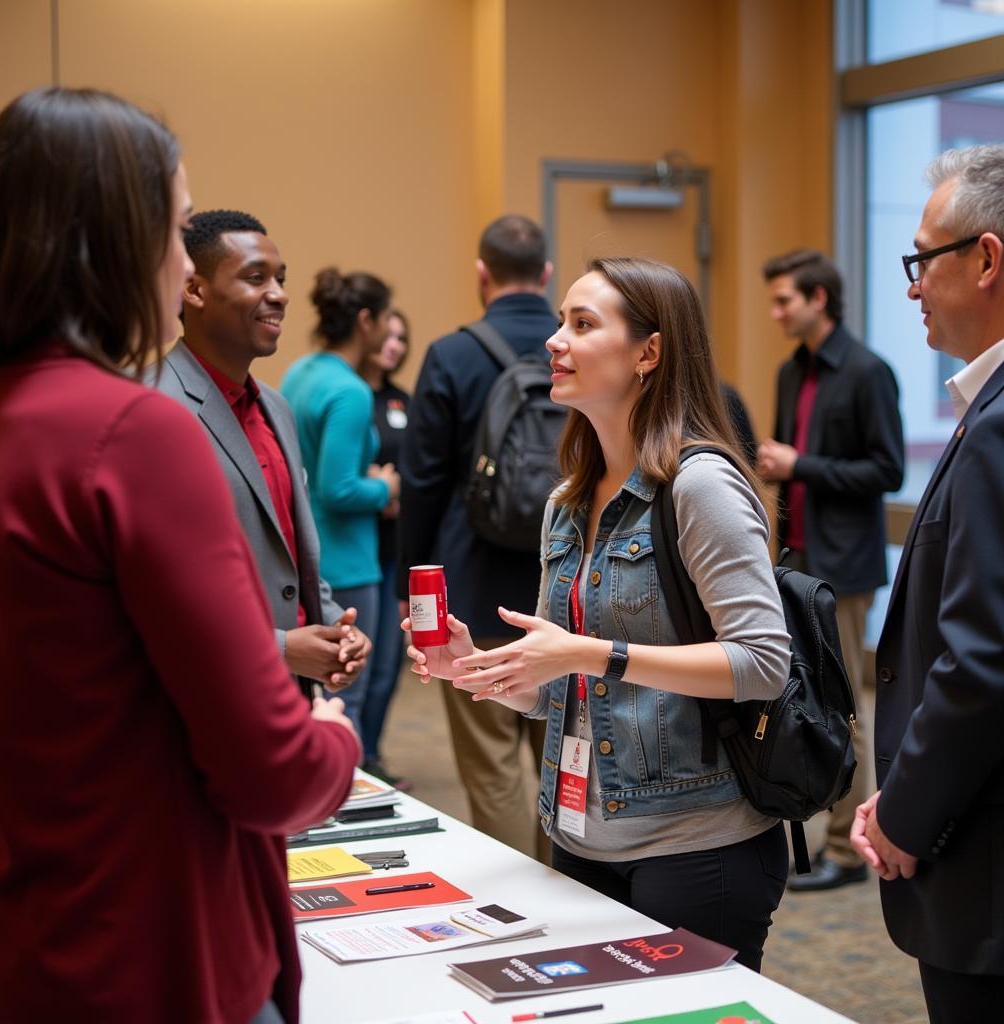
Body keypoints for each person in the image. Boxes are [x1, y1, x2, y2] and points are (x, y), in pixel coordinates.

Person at [0, 88, 359, 1023]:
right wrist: (337, 742)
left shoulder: (1, 414)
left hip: (29, 920)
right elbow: (266, 768)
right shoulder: (134, 432)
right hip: (153, 940)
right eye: (177, 227)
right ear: (118, 240)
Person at [405, 257, 792, 971]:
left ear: (649, 352)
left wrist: (591, 653)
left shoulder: (699, 485)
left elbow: (763, 665)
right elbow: (573, 694)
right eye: (561, 321)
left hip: (693, 847)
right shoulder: (568, 501)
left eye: (582, 324)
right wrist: (485, 671)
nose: (555, 340)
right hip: (579, 837)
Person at [851, 144, 1004, 1023]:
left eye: (922, 260)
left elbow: (983, 662)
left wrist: (905, 815)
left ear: (985, 260)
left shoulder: (998, 424)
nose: (911, 286)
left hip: (986, 863)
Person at [152, 209, 371, 700]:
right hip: (202, 693)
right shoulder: (153, 408)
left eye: (281, 279)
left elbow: (287, 550)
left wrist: (334, 626)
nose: (280, 294)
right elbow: (157, 591)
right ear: (194, 290)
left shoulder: (275, 407)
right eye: (256, 278)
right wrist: (281, 648)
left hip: (286, 695)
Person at [398, 214, 557, 859]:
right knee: (565, 761)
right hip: (565, 587)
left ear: (481, 274)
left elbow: (422, 482)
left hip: (473, 586)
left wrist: (416, 596)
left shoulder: (452, 354)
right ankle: (574, 893)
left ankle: (525, 906)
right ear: (546, 274)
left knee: (491, 765)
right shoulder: (574, 345)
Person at [758, 249, 904, 892]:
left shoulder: (869, 371)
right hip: (798, 556)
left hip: (844, 565)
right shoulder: (793, 370)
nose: (776, 311)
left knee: (844, 707)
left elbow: (888, 470)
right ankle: (820, 828)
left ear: (820, 298)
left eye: (785, 299)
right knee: (802, 699)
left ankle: (849, 848)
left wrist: (802, 466)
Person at [281, 268, 399, 748]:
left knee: (311, 695)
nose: (392, 330)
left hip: (307, 553)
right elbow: (339, 489)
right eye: (388, 319)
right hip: (349, 561)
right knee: (347, 691)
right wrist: (386, 487)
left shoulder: (300, 372)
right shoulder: (350, 391)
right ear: (366, 321)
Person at [358, 308, 412, 786]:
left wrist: (396, 491)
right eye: (387, 335)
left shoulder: (402, 400)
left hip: (393, 544)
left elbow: (417, 467)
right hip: (356, 542)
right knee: (361, 655)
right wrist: (376, 490)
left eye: (402, 338)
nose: (393, 345)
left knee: (389, 659)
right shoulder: (352, 394)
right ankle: (350, 756)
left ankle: (370, 753)